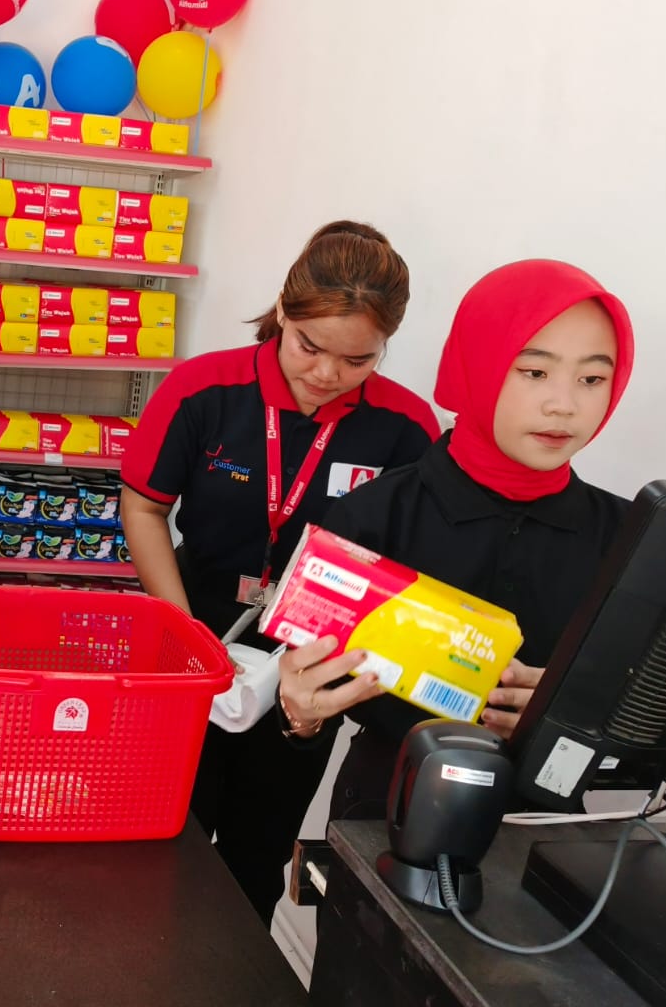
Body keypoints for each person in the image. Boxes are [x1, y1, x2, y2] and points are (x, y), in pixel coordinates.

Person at [121, 220, 440, 924]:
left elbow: (414, 567)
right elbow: (144, 507)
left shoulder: (407, 429)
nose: (326, 375)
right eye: (309, 346)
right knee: (157, 843)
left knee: (256, 856)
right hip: (190, 640)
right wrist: (184, 637)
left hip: (310, 676)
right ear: (283, 313)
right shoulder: (203, 390)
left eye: (358, 360)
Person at [276, 259, 635, 822]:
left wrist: (582, 716)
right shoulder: (370, 521)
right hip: (385, 819)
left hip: (549, 834)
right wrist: (302, 716)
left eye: (592, 378)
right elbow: (310, 720)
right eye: (534, 372)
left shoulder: (630, 540)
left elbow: (657, 726)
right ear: (478, 365)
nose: (564, 404)